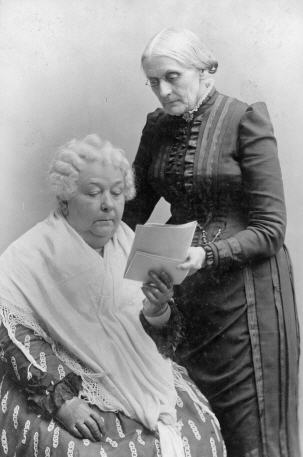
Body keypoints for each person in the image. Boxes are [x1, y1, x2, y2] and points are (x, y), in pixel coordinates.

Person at [123, 27, 300, 457]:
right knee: (195, 436)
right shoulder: (157, 128)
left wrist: (208, 254)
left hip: (247, 307)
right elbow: (132, 210)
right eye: (153, 81)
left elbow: (271, 227)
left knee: (252, 441)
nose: (162, 91)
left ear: (207, 72)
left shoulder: (244, 120)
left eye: (172, 77)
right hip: (186, 303)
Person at [0, 134, 225, 457]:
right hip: (64, 381)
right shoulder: (29, 255)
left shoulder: (128, 243)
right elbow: (12, 336)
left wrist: (157, 309)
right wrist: (64, 402)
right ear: (65, 200)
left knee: (200, 435)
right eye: (93, 193)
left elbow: (161, 339)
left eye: (117, 193)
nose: (108, 204)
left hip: (141, 375)